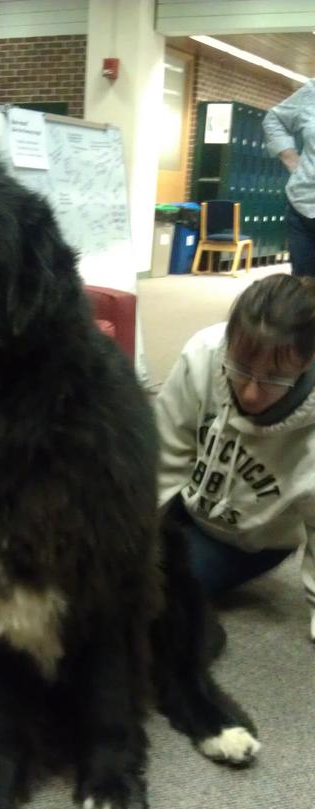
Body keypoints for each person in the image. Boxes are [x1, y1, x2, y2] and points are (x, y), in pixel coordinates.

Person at [155, 272, 315, 640]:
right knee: (102, 562)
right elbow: (166, 450)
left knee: (162, 590)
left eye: (273, 378)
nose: (252, 393)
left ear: (305, 364)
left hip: (249, 539)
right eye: (240, 369)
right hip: (188, 498)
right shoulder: (204, 354)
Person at [263, 82, 315, 276]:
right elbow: (274, 119)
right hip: (303, 206)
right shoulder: (312, 92)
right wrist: (291, 159)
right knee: (303, 290)